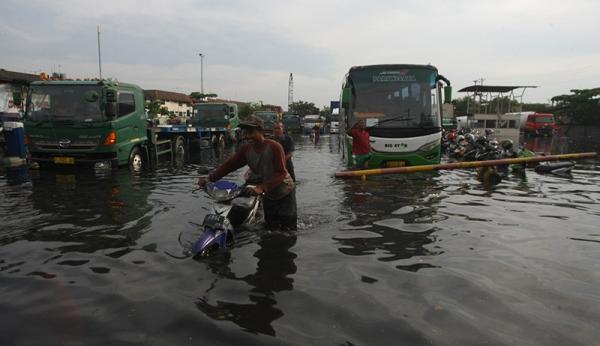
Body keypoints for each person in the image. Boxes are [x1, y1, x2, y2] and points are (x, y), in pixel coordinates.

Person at [197, 115, 297, 230]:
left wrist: (262, 188)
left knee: (288, 229)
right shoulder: (246, 150)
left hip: (284, 192)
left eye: (251, 132)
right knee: (271, 228)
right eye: (245, 133)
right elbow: (229, 166)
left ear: (261, 131)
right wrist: (209, 178)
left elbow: (281, 173)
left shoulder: (274, 147)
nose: (247, 136)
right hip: (268, 194)